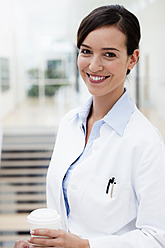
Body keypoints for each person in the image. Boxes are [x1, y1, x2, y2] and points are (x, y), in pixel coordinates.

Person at [15, 4, 165, 248]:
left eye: (109, 54)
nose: (94, 66)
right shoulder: (68, 124)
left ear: (132, 58)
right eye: (86, 51)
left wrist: (85, 245)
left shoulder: (146, 142)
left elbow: (157, 238)